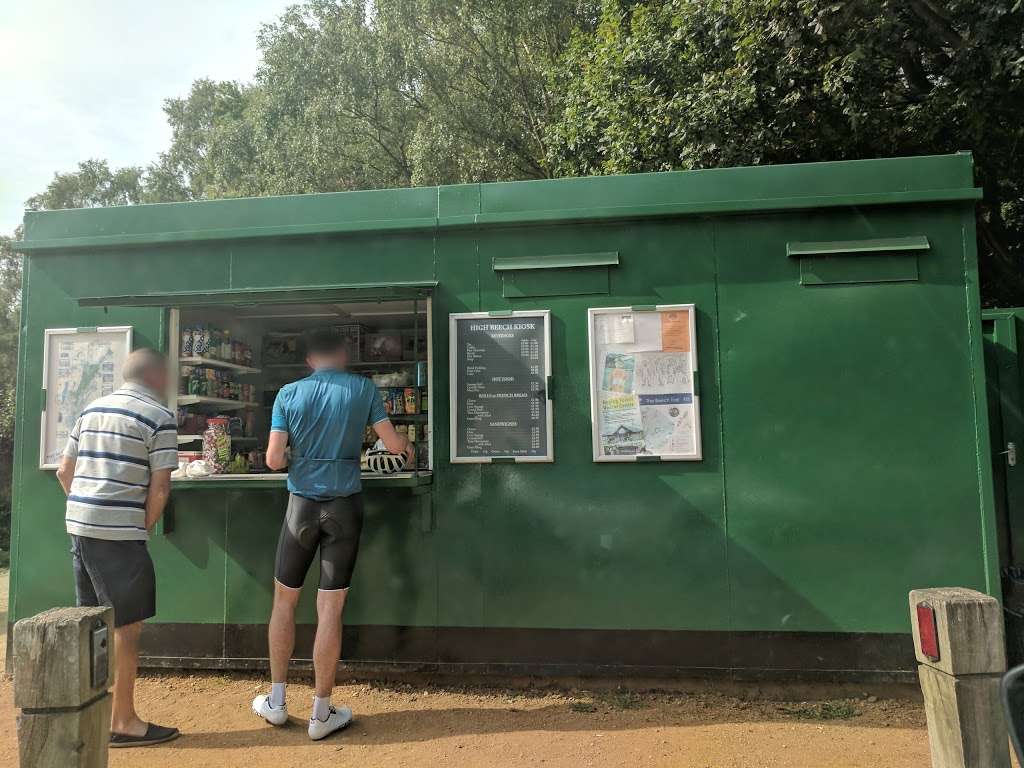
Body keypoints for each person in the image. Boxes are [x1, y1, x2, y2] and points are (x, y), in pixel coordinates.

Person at [252, 326, 412, 741]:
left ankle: (276, 700)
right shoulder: (362, 388)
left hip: (300, 508)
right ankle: (321, 713)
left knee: (285, 603)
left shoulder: (288, 394)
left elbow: (272, 460)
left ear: (308, 360)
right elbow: (392, 445)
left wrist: (299, 453)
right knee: (331, 610)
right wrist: (407, 445)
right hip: (345, 506)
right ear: (342, 354)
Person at [56, 348, 180, 748]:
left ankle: (85, 714)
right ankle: (123, 721)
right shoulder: (159, 417)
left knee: (91, 622)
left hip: (80, 528)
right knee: (127, 629)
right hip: (119, 535)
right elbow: (160, 489)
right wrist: (137, 526)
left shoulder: (90, 410)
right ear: (159, 377)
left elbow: (64, 471)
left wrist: (83, 508)